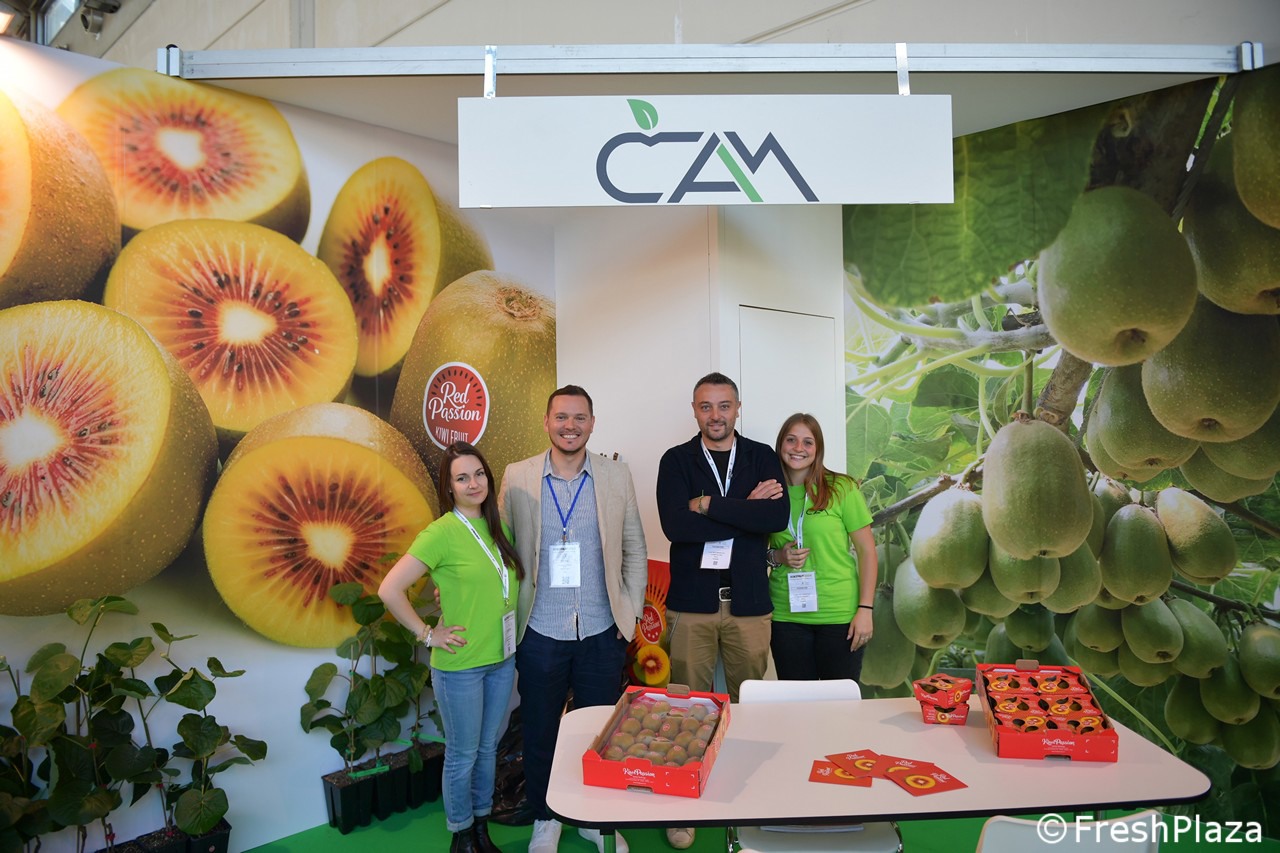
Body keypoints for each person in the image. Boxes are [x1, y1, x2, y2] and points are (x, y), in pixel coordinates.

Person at [499, 385, 647, 853]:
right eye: (561, 417)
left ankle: (596, 820)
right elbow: (500, 548)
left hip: (602, 628)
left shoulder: (615, 475)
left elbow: (634, 548)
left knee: (600, 731)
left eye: (579, 417)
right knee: (541, 729)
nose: (570, 426)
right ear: (546, 422)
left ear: (592, 423)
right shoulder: (518, 475)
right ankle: (546, 818)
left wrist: (630, 615)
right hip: (540, 628)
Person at [654, 372, 788, 851]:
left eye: (724, 405)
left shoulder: (761, 457)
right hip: (692, 604)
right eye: (706, 406)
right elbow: (676, 527)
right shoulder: (676, 460)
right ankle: (682, 805)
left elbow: (775, 518)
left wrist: (709, 504)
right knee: (687, 706)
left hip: (748, 603)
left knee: (749, 705)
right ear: (695, 410)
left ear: (737, 408)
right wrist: (743, 509)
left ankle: (751, 801)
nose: (716, 415)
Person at [379, 441, 523, 853]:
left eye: (478, 474)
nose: (473, 483)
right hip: (460, 666)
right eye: (462, 478)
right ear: (449, 487)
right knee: (463, 754)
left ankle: (481, 828)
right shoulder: (440, 533)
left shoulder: (499, 528)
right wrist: (427, 634)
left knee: (487, 749)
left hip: (501, 660)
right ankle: (461, 835)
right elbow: (389, 589)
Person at [767, 413, 878, 681]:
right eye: (791, 440)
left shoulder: (842, 488)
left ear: (818, 449)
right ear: (780, 444)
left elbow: (867, 552)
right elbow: (755, 553)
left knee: (839, 701)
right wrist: (778, 556)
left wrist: (865, 609)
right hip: (786, 618)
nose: (798, 448)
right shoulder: (768, 492)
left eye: (808, 442)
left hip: (840, 616)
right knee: (796, 701)